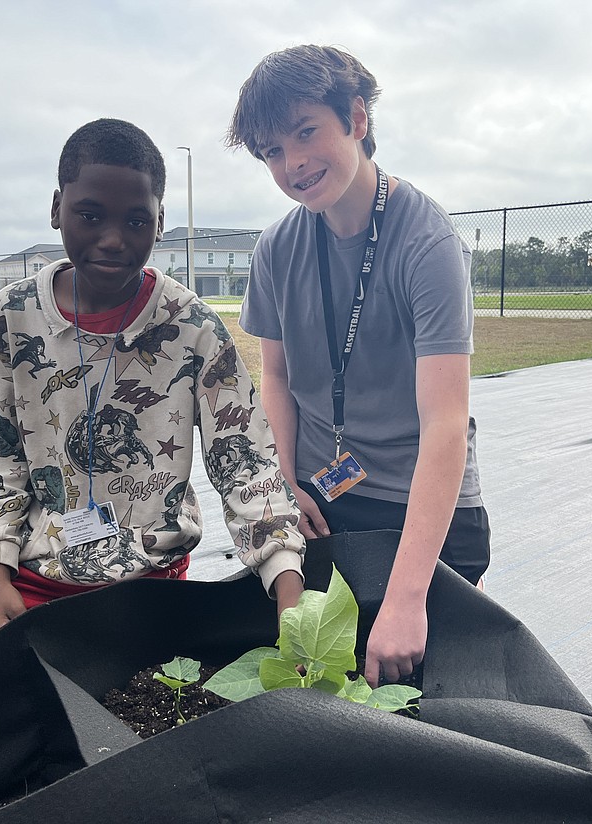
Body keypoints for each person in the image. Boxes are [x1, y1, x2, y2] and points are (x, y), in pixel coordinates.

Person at [0, 118, 305, 692]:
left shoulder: (193, 328)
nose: (112, 238)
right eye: (90, 214)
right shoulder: (12, 318)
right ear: (57, 208)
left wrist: (288, 592)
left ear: (160, 222)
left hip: (148, 587)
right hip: (29, 578)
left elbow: (246, 462)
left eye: (136, 220)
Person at [227, 45, 490, 688]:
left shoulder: (426, 242)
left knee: (417, 705)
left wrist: (406, 599)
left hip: (420, 512)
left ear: (358, 118)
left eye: (305, 132)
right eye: (271, 151)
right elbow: (279, 380)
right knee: (317, 690)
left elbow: (446, 424)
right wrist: (286, 482)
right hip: (325, 501)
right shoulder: (277, 248)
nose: (293, 163)